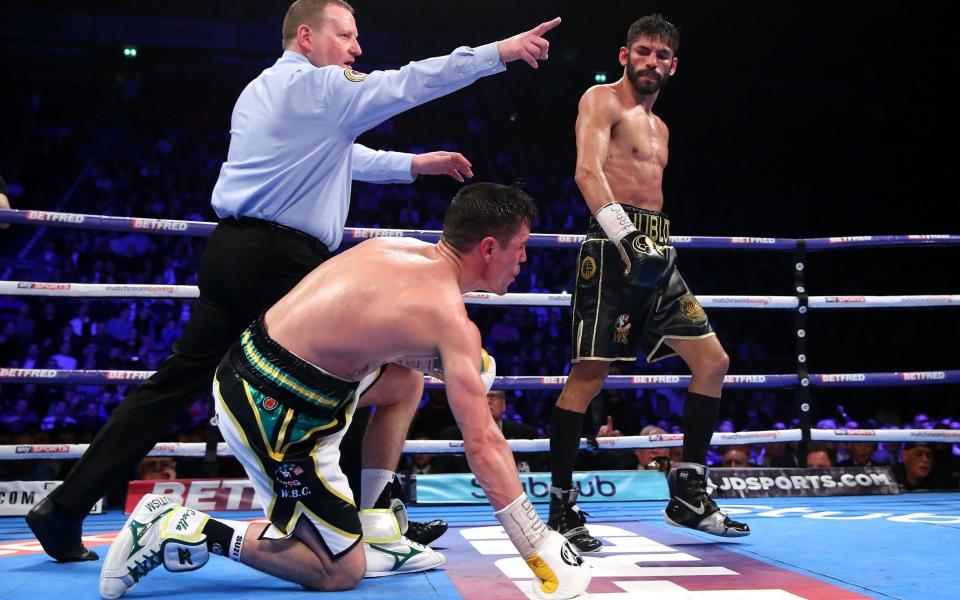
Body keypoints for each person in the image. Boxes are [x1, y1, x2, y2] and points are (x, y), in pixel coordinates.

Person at [27, 0, 561, 563]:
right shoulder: (322, 88)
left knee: (174, 385)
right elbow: (408, 83)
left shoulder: (261, 90)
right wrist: (498, 53)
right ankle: (360, 523)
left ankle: (65, 506)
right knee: (364, 370)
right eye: (346, 35)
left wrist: (412, 165)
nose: (356, 48)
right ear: (307, 36)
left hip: (231, 251)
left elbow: (335, 156)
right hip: (282, 261)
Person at [98, 182, 592, 599]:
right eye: (520, 246)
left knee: (406, 381)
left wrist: (445, 363)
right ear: (488, 248)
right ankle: (178, 526)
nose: (525, 259)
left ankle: (375, 521)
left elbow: (363, 332)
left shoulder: (392, 249)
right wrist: (536, 543)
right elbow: (482, 441)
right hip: (272, 411)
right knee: (340, 571)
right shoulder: (450, 321)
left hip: (272, 370)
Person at [546, 14, 748, 551]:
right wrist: (625, 236)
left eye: (661, 55)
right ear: (624, 55)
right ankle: (561, 506)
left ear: (673, 66)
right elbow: (588, 172)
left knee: (713, 362)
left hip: (659, 249)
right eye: (643, 52)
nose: (651, 62)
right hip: (613, 247)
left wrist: (648, 243)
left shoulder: (662, 129)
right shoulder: (600, 101)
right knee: (590, 375)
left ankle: (687, 492)